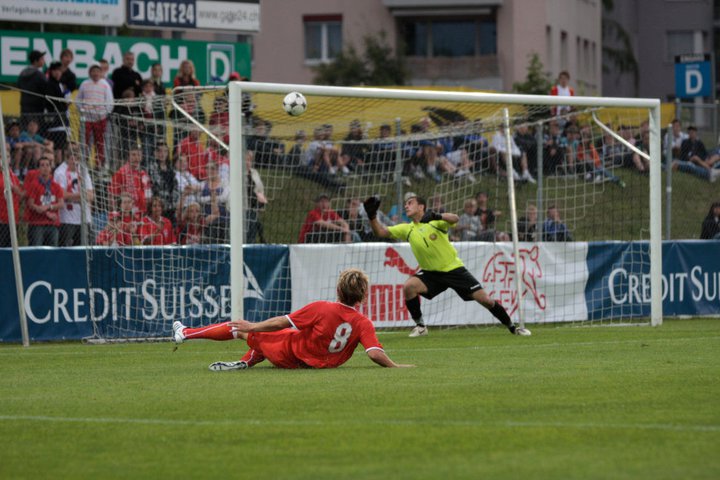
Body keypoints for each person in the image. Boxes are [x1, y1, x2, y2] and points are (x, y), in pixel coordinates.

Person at [172, 268, 414, 370]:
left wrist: (252, 326)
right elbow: (373, 353)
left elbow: (281, 321)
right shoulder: (363, 322)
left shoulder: (322, 308)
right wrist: (394, 366)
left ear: (339, 290)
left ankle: (185, 333)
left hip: (292, 353)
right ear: (362, 295)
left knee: (242, 329)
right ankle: (247, 361)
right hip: (317, 364)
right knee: (272, 338)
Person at [364, 192, 531, 337]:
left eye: (410, 203)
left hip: (454, 270)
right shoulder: (407, 228)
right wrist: (372, 216)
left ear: (421, 207)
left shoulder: (435, 222)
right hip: (431, 273)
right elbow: (380, 232)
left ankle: (512, 327)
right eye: (405, 204)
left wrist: (437, 215)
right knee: (409, 287)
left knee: (486, 300)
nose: (406, 206)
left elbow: (455, 219)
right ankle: (421, 326)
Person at [54, 143, 94, 246]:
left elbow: (90, 196)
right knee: (66, 248)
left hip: (84, 218)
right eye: (72, 150)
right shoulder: (60, 172)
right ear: (66, 153)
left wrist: (72, 197)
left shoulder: (83, 170)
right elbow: (61, 195)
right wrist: (81, 196)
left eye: (77, 150)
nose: (75, 153)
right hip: (67, 218)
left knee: (85, 247)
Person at [76, 65, 114, 169]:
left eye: (98, 71)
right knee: (85, 141)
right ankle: (84, 164)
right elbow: (78, 100)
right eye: (93, 71)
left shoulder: (105, 85)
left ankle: (99, 165)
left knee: (100, 142)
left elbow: (110, 103)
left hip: (100, 119)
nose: (95, 73)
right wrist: (83, 111)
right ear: (90, 72)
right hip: (87, 119)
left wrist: (103, 114)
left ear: (101, 73)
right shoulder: (84, 84)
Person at [23, 156, 65, 246]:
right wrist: (45, 212)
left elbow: (61, 203)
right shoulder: (34, 184)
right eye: (42, 165)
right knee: (37, 250)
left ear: (51, 168)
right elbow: (31, 204)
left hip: (53, 224)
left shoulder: (56, 186)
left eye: (47, 165)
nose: (45, 168)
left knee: (53, 251)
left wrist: (49, 207)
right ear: (38, 169)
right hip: (37, 224)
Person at [107, 145, 152, 214]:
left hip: (142, 214)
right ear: (128, 157)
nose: (136, 158)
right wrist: (114, 213)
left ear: (142, 157)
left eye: (139, 155)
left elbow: (148, 196)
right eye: (133, 155)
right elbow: (111, 195)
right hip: (126, 214)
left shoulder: (144, 174)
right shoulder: (121, 172)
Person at [17, 50, 47, 123]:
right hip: (37, 109)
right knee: (37, 131)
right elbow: (46, 88)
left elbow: (19, 85)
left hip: (24, 108)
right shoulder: (39, 75)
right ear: (36, 61)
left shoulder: (22, 73)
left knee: (25, 130)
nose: (44, 61)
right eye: (42, 59)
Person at [0, 161, 23, 248]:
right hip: (1, 220)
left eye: (8, 157)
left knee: (11, 247)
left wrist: (14, 188)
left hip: (13, 219)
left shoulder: (12, 176)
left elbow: (20, 194)